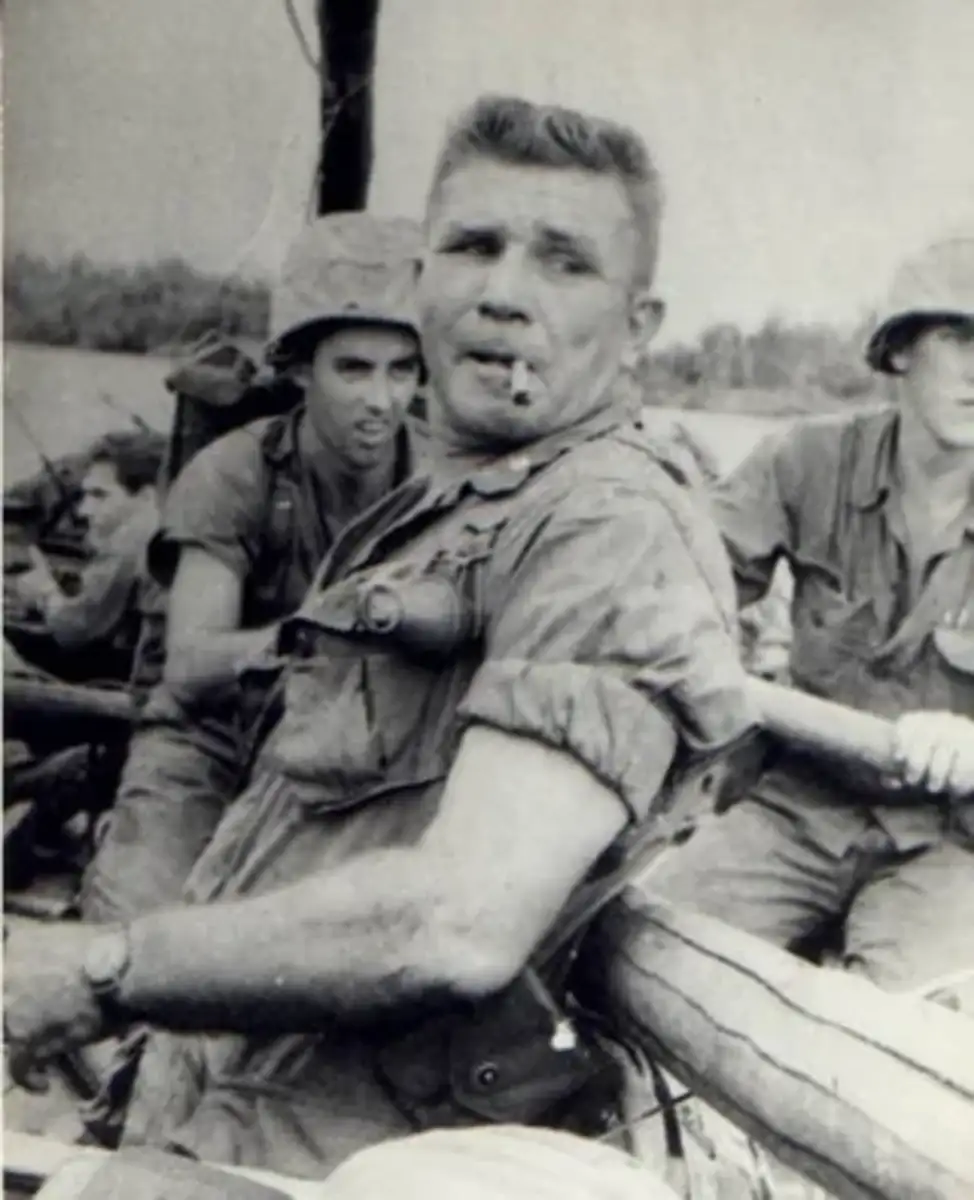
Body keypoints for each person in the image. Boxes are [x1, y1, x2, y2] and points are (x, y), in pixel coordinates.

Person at [5, 94, 756, 1178]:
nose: (503, 291)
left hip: (350, 1150)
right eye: (472, 246)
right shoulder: (445, 511)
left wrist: (102, 968)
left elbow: (456, 922)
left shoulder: (610, 529)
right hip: (223, 1096)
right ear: (421, 286)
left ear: (637, 327)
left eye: (562, 262)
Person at [650, 235, 974, 1000]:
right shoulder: (806, 463)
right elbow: (673, 595)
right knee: (644, 956)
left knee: (913, 1046)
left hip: (953, 844)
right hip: (798, 808)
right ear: (898, 352)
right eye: (960, 338)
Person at [78, 213, 426, 923]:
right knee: (132, 932)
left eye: (403, 370)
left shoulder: (436, 480)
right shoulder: (234, 473)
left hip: (345, 754)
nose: (381, 399)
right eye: (353, 369)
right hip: (209, 737)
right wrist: (318, 632)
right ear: (299, 370)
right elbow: (192, 664)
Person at [4, 429, 165, 682]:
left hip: (124, 693)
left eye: (99, 495)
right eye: (85, 495)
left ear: (146, 497)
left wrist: (43, 591)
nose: (83, 510)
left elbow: (73, 628)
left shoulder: (133, 538)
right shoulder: (163, 531)